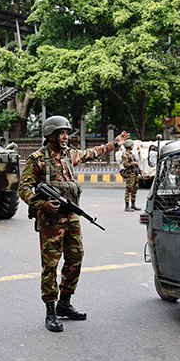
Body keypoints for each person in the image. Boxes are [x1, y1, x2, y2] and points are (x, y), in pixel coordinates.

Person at [18, 115, 129, 333]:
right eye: (62, 133)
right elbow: (23, 187)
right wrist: (41, 204)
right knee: (50, 265)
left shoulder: (69, 155)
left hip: (71, 218)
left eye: (67, 133)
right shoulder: (37, 159)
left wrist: (114, 144)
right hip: (51, 220)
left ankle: (64, 303)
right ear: (51, 135)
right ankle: (50, 310)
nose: (66, 137)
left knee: (76, 257)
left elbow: (91, 153)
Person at [121, 141, 140, 211]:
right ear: (128, 146)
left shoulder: (131, 154)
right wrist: (133, 163)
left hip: (135, 174)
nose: (133, 146)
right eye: (132, 145)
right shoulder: (125, 154)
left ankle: (133, 204)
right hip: (130, 174)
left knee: (135, 189)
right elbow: (125, 165)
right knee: (128, 190)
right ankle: (127, 206)